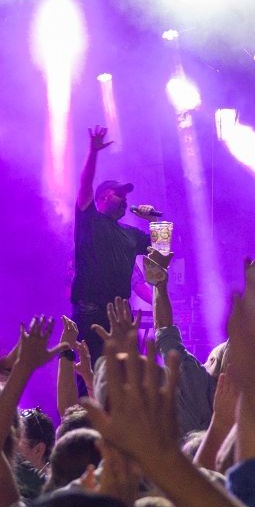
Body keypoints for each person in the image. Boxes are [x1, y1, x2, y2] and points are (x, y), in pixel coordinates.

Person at [71, 126, 159, 356]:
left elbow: (161, 250)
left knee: (127, 373)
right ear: (103, 197)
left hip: (122, 316)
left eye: (126, 196)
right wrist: (93, 153)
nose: (125, 200)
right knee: (93, 371)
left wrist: (154, 222)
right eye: (120, 195)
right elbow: (85, 186)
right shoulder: (90, 220)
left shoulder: (130, 234)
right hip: (91, 313)